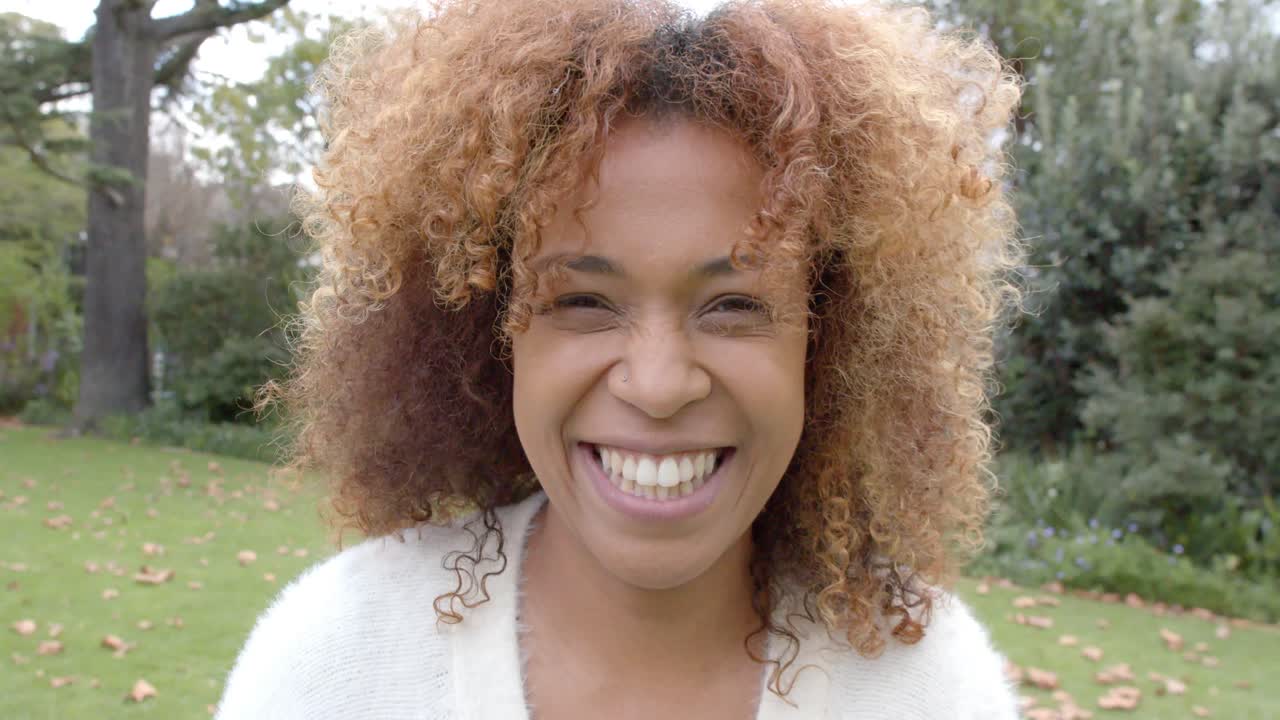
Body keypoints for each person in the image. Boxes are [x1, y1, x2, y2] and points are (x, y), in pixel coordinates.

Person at [215, 0, 1025, 717]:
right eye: (583, 302)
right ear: (490, 332)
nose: (659, 385)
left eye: (735, 306)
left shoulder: (931, 690)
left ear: (829, 343)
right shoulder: (334, 665)